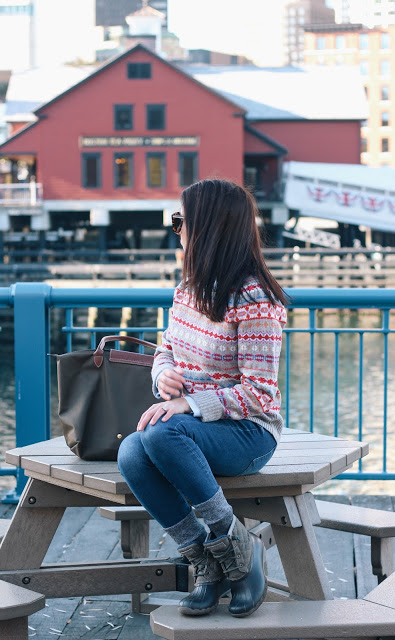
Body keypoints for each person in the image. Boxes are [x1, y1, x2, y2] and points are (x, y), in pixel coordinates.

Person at [118, 179, 287, 618]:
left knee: (162, 433)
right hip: (191, 430)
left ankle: (238, 550)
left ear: (209, 227)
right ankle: (206, 563)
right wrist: (163, 374)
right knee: (132, 450)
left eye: (180, 221)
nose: (176, 230)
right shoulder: (188, 288)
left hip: (248, 433)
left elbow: (259, 393)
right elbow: (167, 347)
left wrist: (189, 404)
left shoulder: (255, 300)